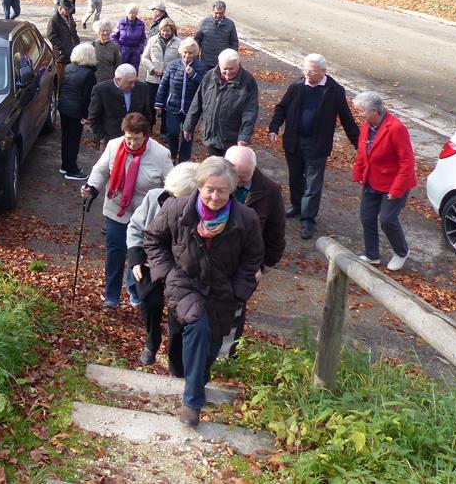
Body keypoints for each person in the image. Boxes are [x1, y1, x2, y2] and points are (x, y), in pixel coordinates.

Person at [144, 156, 264, 427]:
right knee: (198, 329)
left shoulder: (246, 219)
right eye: (210, 189)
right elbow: (153, 240)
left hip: (223, 289)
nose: (215, 197)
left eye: (222, 190)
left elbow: (253, 257)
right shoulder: (176, 209)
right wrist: (167, 274)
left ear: (231, 189)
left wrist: (239, 290)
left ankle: (196, 379)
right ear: (199, 186)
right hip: (184, 282)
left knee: (210, 347)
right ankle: (192, 402)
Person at [82, 112, 174, 309]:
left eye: (136, 139)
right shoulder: (114, 146)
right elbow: (100, 170)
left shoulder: (161, 154)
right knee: (115, 252)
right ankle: (111, 295)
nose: (131, 143)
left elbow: (172, 185)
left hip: (145, 217)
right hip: (117, 210)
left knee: (138, 253)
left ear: (145, 136)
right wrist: (92, 187)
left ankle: (135, 291)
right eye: (128, 138)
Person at [268, 54, 360, 240]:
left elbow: (347, 119)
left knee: (312, 184)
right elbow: (281, 108)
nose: (307, 74)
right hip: (294, 141)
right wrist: (274, 128)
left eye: (311, 71)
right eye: (305, 70)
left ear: (323, 71)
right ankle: (297, 205)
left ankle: (308, 218)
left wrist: (358, 143)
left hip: (317, 145)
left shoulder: (334, 91)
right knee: (295, 177)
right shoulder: (296, 86)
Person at [125, 161, 199, 369]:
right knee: (150, 303)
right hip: (151, 262)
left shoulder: (201, 209)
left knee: (179, 317)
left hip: (181, 270)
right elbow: (136, 227)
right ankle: (152, 341)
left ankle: (176, 363)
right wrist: (136, 258)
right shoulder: (153, 197)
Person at [219, 146, 285, 358]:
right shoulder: (216, 180)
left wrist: (265, 265)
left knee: (235, 309)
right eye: (235, 176)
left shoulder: (270, 191)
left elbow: (276, 232)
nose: (239, 182)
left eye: (244, 177)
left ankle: (226, 356)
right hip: (215, 259)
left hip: (245, 264)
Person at [352, 91, 416, 271]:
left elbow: (407, 162)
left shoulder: (396, 128)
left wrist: (396, 189)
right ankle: (372, 255)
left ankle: (402, 251)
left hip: (394, 183)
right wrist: (359, 172)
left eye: (362, 111)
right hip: (372, 180)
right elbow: (363, 151)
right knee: (367, 217)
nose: (359, 114)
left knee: (387, 220)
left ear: (375, 111)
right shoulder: (367, 125)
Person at [182, 48, 258, 157]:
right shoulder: (210, 76)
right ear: (219, 65)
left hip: (233, 139)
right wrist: (188, 126)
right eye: (225, 69)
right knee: (216, 165)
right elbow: (197, 102)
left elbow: (250, 112)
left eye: (231, 69)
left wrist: (244, 137)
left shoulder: (248, 81)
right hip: (212, 135)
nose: (228, 72)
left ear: (238, 65)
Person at [155, 38, 208, 162]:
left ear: (195, 54)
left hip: (191, 108)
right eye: (185, 52)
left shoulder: (201, 67)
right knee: (172, 132)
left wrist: (193, 75)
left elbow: (204, 86)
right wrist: (159, 102)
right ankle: (173, 155)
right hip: (173, 105)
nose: (187, 55)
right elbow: (164, 85)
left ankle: (184, 160)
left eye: (190, 53)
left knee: (187, 135)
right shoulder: (173, 65)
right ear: (180, 52)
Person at [58, 43, 98, 181]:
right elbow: (87, 97)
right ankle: (71, 170)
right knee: (73, 141)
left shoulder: (68, 67)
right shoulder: (89, 74)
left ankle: (65, 165)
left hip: (64, 107)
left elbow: (62, 87)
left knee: (66, 138)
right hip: (76, 111)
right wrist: (86, 116)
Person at [88, 64, 151, 144]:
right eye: (130, 82)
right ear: (118, 80)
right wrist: (101, 138)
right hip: (110, 140)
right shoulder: (101, 90)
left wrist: (145, 133)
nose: (133, 85)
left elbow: (147, 113)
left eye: (134, 81)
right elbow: (93, 117)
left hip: (136, 141)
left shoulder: (143, 88)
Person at [140, 19, 180, 130]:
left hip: (169, 79)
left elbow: (180, 61)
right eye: (163, 30)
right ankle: (149, 126)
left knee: (167, 104)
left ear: (172, 30)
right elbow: (145, 58)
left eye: (168, 31)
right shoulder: (152, 40)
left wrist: (171, 72)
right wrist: (152, 69)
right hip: (153, 78)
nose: (165, 33)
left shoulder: (178, 43)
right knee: (150, 103)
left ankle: (165, 130)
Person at [193, 1, 239, 69]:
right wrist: (196, 59)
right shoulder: (204, 23)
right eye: (216, 13)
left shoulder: (230, 24)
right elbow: (196, 42)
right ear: (212, 11)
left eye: (221, 13)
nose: (218, 15)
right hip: (205, 62)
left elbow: (234, 43)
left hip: (222, 62)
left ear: (224, 12)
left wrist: (231, 59)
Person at [47, 0, 79, 85]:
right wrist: (62, 49)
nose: (69, 11)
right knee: (61, 79)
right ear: (60, 8)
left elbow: (74, 31)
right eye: (67, 9)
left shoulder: (70, 17)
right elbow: (51, 37)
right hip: (62, 56)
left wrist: (77, 43)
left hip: (73, 52)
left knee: (72, 76)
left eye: (70, 9)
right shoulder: (53, 20)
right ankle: (59, 93)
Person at [112, 3, 147, 72]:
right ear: (126, 12)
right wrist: (119, 48)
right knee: (122, 71)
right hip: (123, 51)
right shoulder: (121, 23)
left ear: (136, 13)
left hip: (135, 52)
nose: (131, 15)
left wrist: (140, 49)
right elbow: (113, 36)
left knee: (133, 71)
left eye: (133, 13)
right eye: (129, 13)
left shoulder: (140, 24)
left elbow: (143, 38)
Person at [92, 20, 122, 84]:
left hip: (110, 81)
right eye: (103, 31)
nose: (105, 33)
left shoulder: (114, 46)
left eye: (107, 30)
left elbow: (118, 65)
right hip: (95, 80)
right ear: (98, 32)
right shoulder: (92, 46)